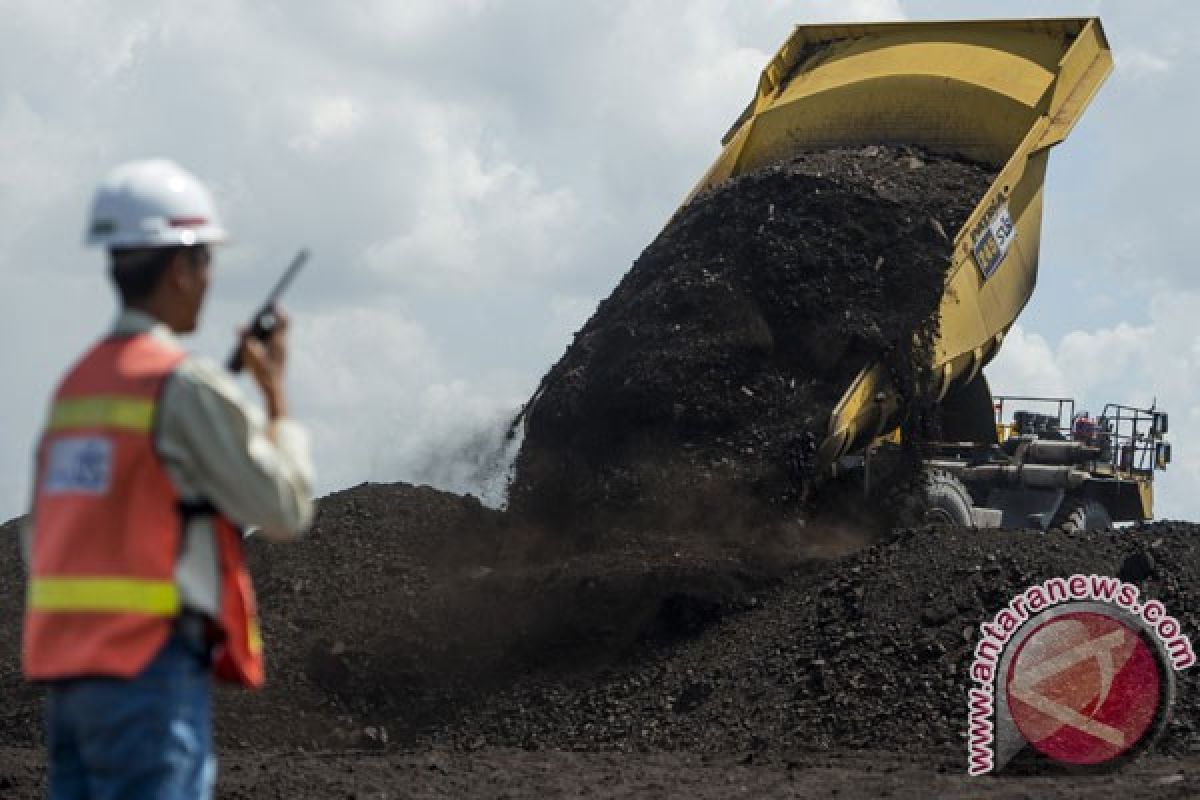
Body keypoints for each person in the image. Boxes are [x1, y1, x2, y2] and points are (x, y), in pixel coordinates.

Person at [20, 159, 315, 799]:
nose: (209, 280)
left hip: (69, 683)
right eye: (205, 262)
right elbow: (288, 507)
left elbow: (39, 538)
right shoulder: (180, 384)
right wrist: (277, 398)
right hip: (146, 676)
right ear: (180, 267)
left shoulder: (76, 386)